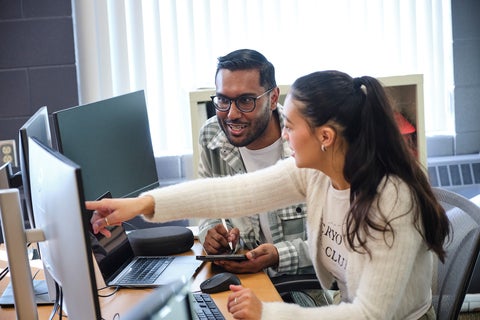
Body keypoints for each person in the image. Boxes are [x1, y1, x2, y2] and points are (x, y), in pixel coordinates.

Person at [88, 70, 449, 319]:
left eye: (290, 126)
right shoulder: (318, 173)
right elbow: (231, 194)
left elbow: (370, 315)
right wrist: (142, 205)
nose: (284, 135)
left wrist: (268, 313)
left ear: (325, 137)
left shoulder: (393, 200)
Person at [196, 49, 318, 304]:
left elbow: (337, 245)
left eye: (246, 101)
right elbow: (207, 207)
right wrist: (212, 234)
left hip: (309, 292)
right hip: (247, 283)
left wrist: (277, 255)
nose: (231, 114)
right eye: (223, 100)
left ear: (273, 98)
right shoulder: (212, 137)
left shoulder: (308, 142)